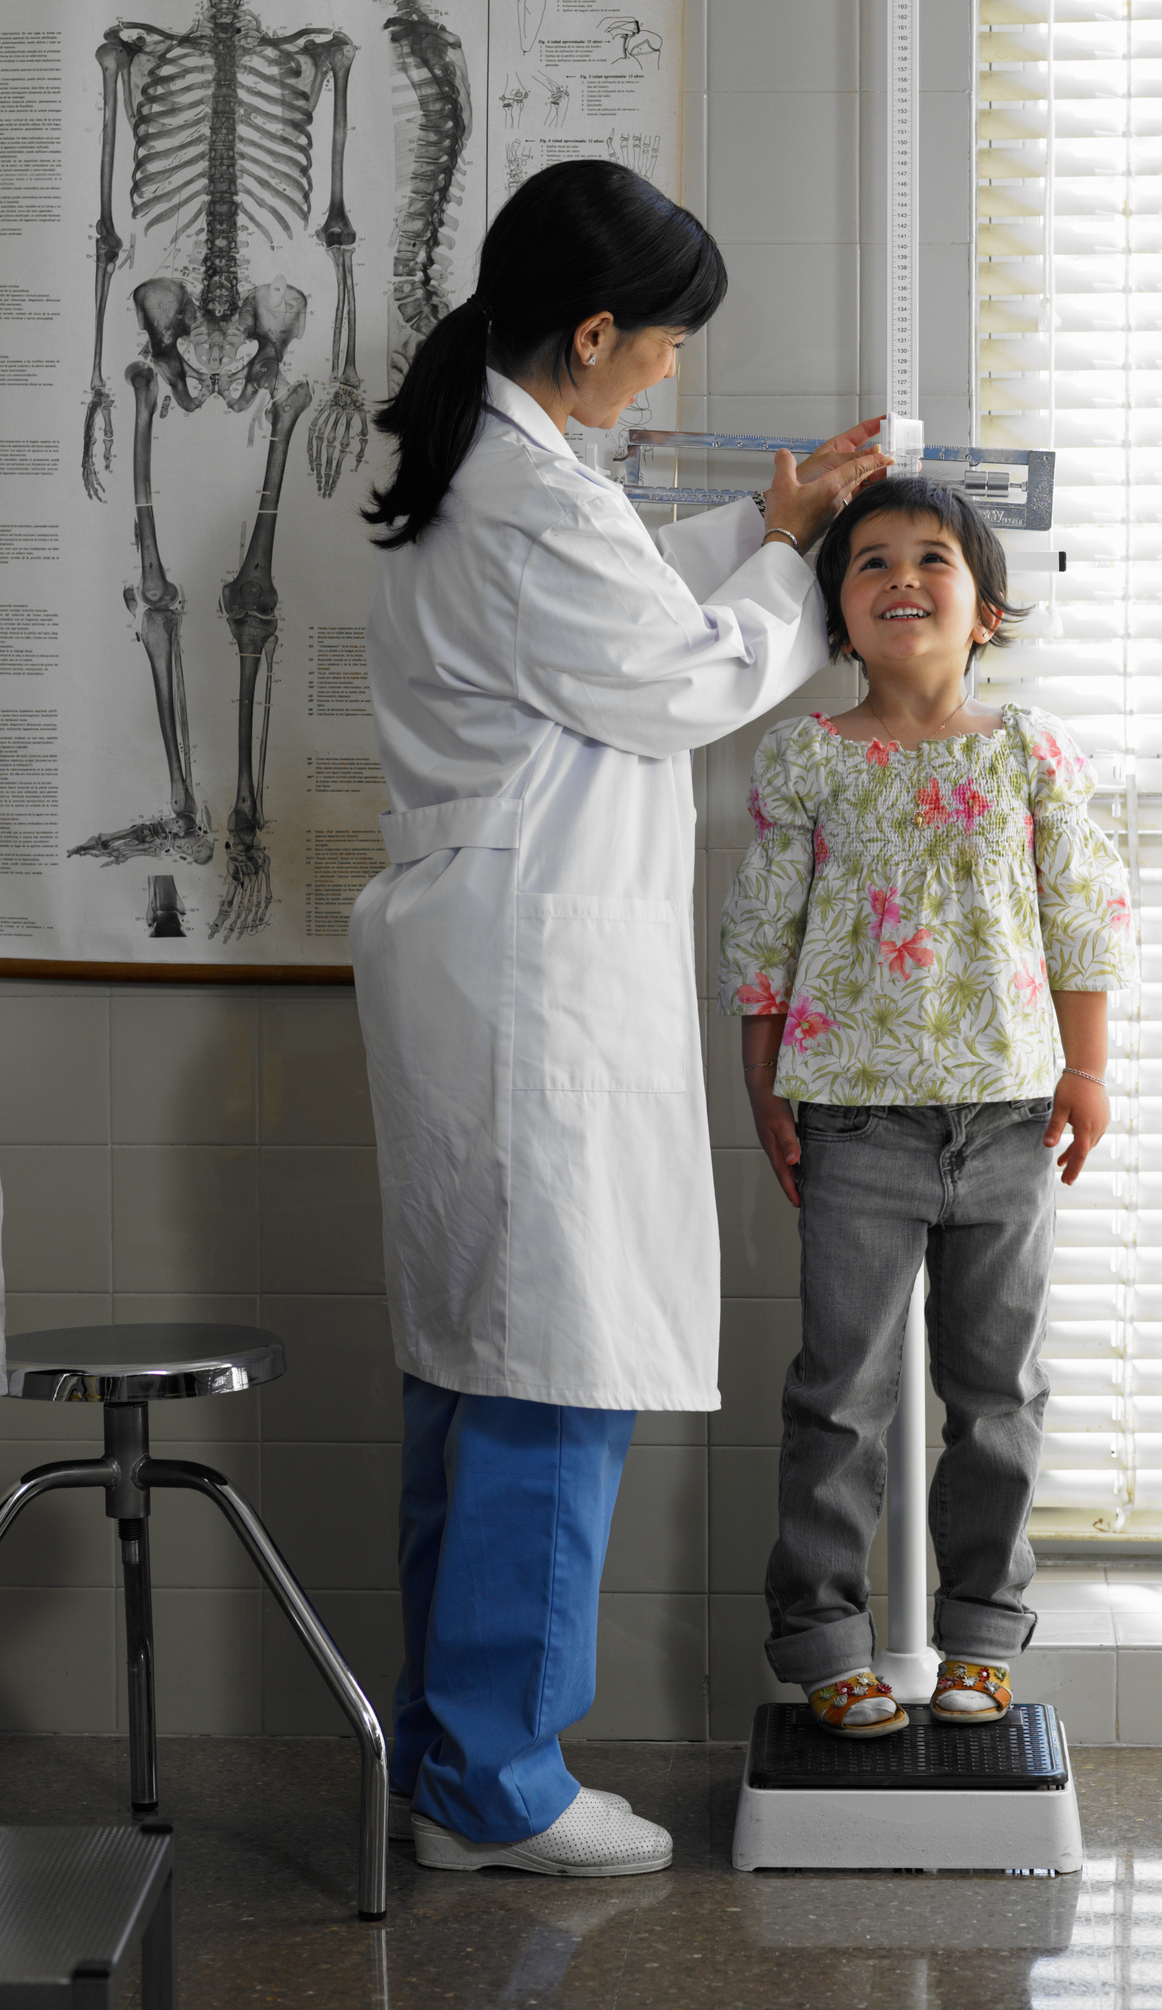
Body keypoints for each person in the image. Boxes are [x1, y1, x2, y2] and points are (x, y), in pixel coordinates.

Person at [351, 159, 889, 1874]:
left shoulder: (494, 472)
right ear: (591, 332)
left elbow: (614, 600)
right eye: (662, 347)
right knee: (547, 1379)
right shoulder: (530, 503)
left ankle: (450, 1764)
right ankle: (497, 1786)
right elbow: (674, 681)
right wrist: (802, 577)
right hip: (527, 983)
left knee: (476, 1373)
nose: (670, 374)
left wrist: (768, 523)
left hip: (485, 961)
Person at [718, 479, 1135, 1739]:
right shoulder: (803, 754)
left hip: (1007, 1118)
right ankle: (825, 1638)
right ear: (837, 615)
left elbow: (1083, 914)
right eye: (871, 564)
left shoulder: (1029, 748)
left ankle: (980, 1640)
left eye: (933, 560)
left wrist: (1088, 1068)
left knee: (997, 1393)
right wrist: (763, 1080)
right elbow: (761, 934)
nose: (903, 578)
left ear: (986, 610)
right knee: (835, 1394)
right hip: (851, 1121)